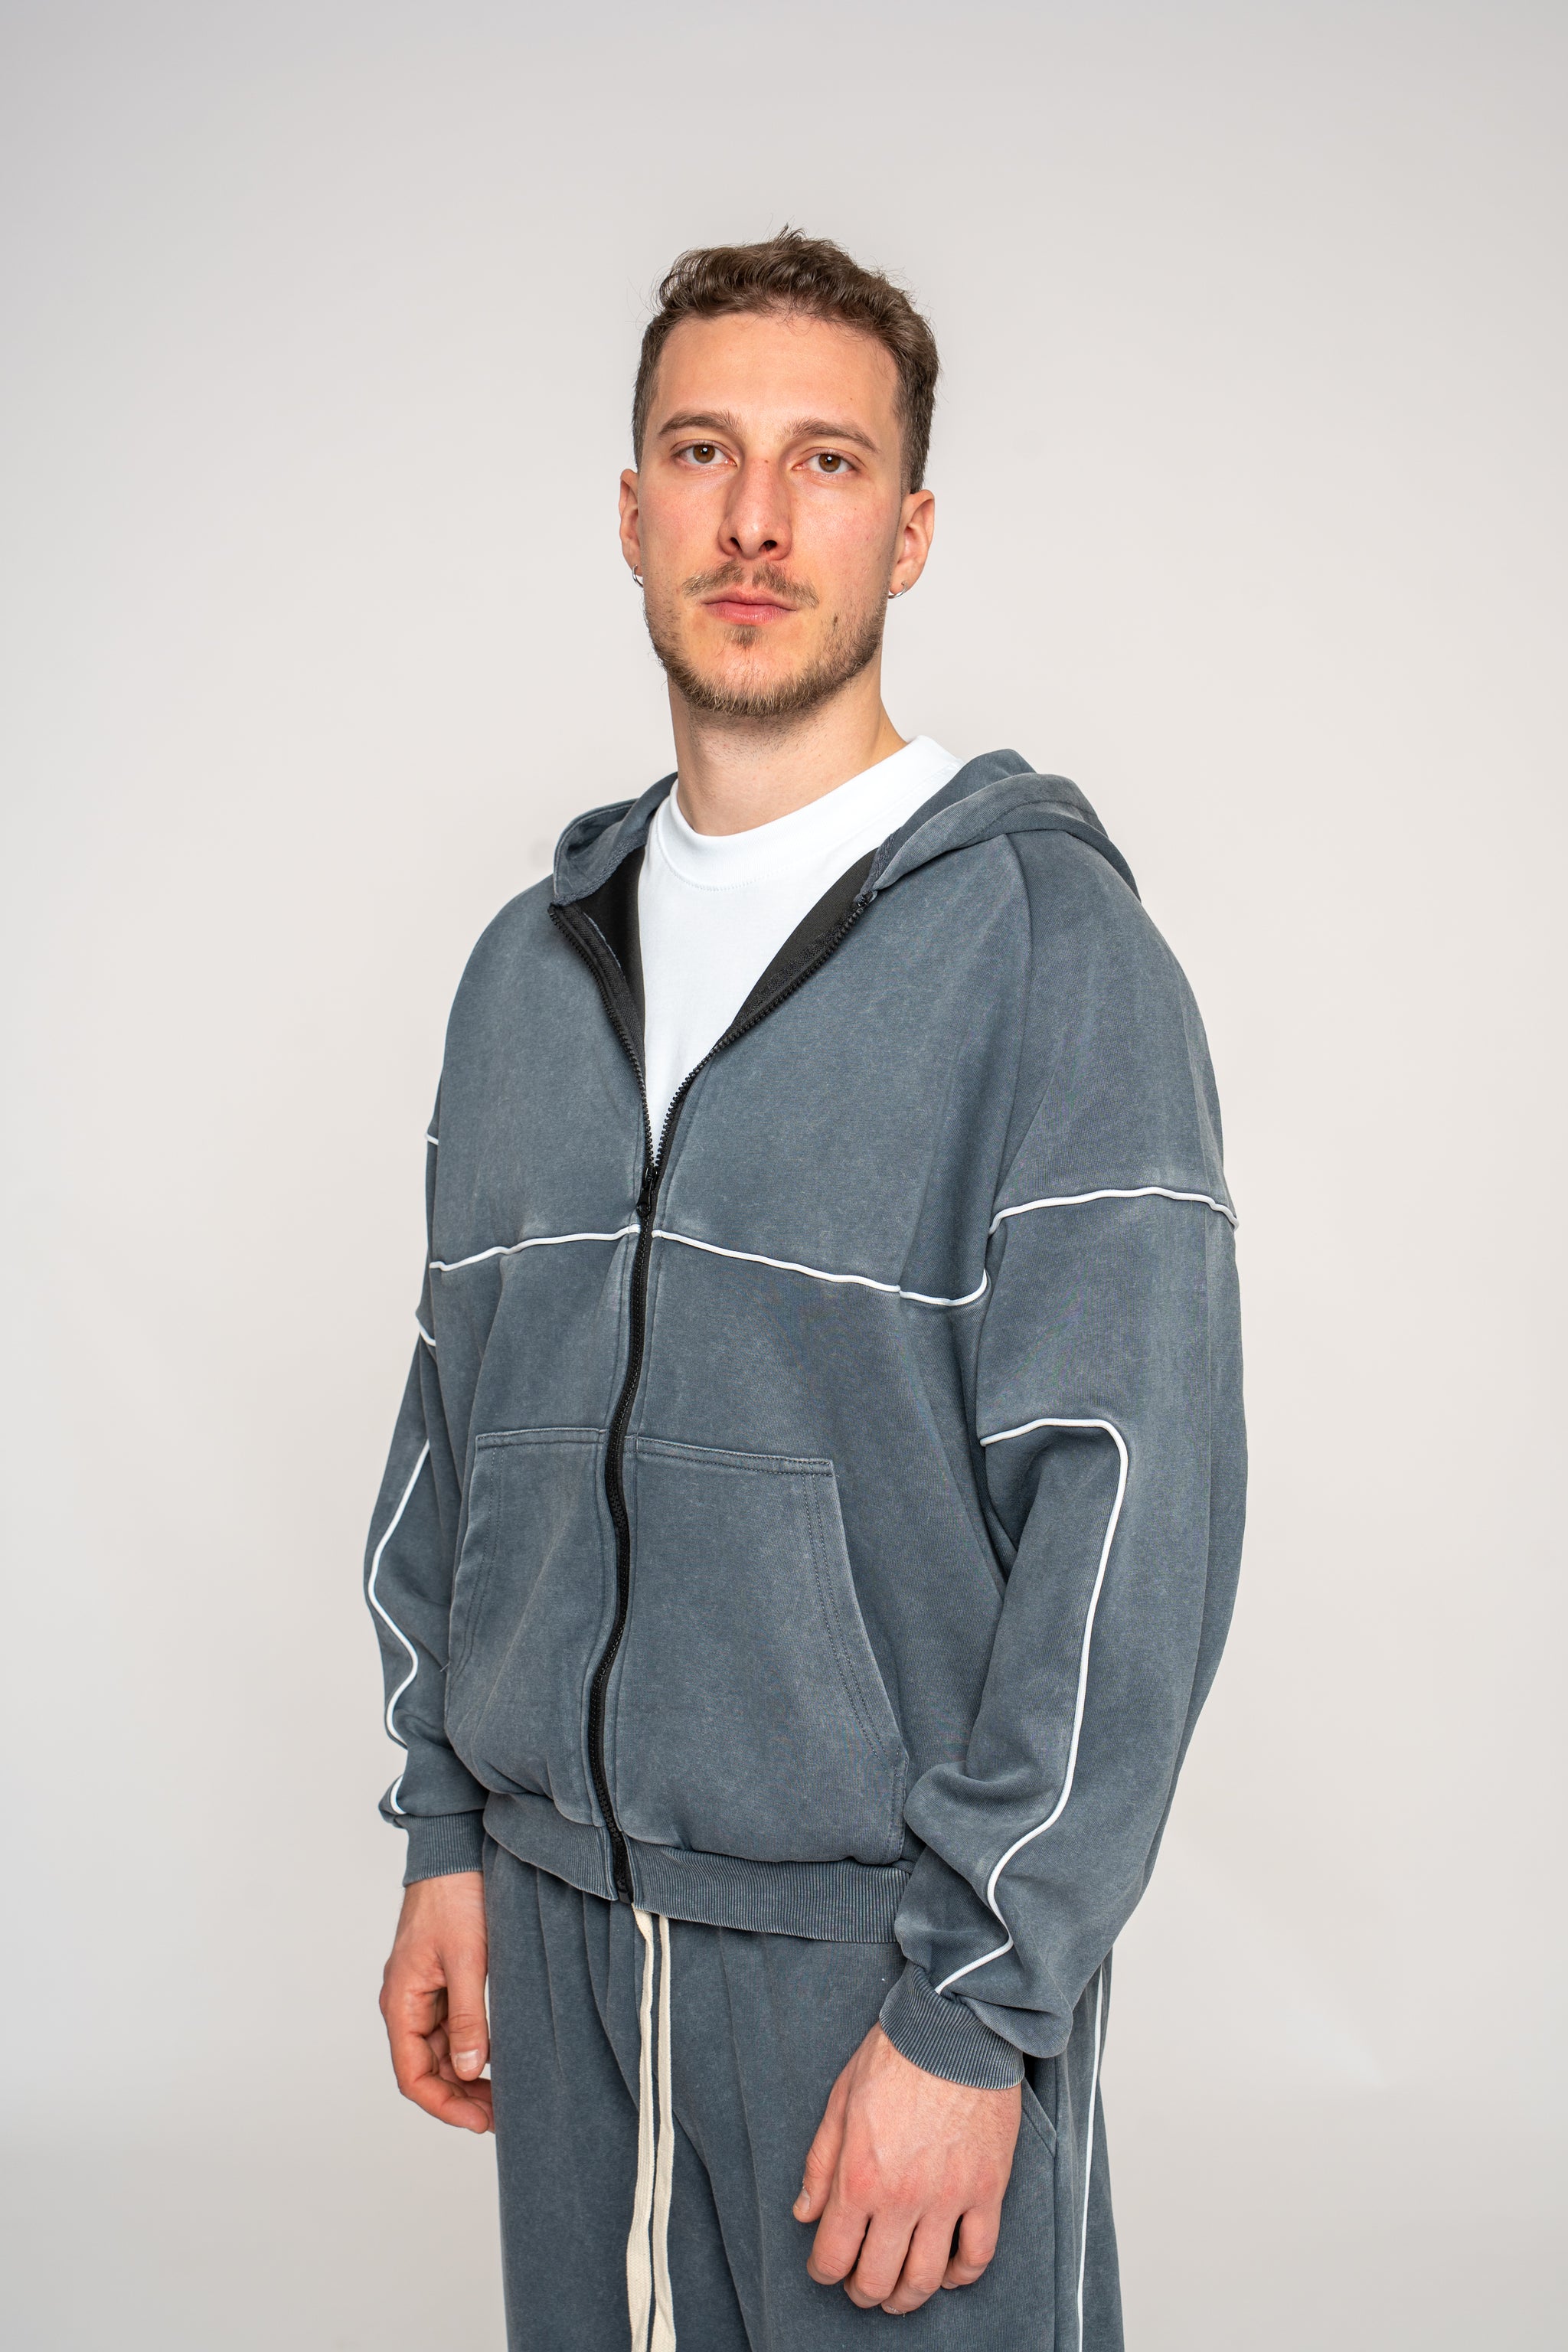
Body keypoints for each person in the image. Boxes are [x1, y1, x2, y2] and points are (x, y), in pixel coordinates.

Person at [365, 230, 1244, 2351]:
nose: (756, 519)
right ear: (632, 509)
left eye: (826, 462)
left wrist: (977, 2007)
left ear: (907, 528)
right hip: (554, 1944)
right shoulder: (525, 973)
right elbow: (455, 1427)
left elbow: (1132, 1524)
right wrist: (448, 1832)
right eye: (704, 451)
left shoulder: (1048, 950)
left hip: (877, 1979)